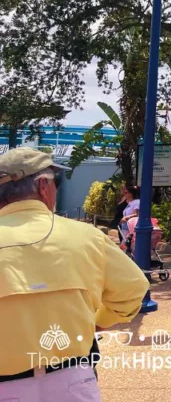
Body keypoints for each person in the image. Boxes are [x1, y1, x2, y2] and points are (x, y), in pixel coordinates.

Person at [0, 149, 148, 398]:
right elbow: (133, 288)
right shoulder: (86, 235)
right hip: (73, 380)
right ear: (44, 186)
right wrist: (100, 320)